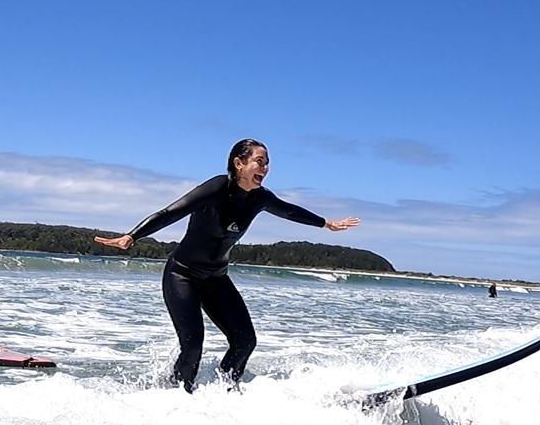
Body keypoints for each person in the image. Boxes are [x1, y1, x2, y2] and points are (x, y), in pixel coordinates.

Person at [95, 138, 360, 392]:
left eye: (267, 162)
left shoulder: (260, 198)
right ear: (239, 163)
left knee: (245, 341)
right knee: (193, 346)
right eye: (259, 161)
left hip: (216, 279)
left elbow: (288, 210)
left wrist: (325, 223)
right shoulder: (216, 189)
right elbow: (170, 213)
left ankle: (225, 393)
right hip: (182, 275)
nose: (265, 168)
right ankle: (174, 395)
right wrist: (132, 236)